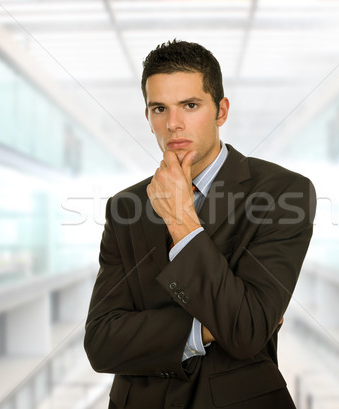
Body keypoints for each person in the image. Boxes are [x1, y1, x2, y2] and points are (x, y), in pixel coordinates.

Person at [84, 39, 316, 409]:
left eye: (190, 106)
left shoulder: (283, 193)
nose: (173, 124)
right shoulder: (124, 207)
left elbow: (244, 332)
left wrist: (181, 221)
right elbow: (101, 342)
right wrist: (206, 329)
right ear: (147, 118)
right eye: (159, 108)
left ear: (220, 111)